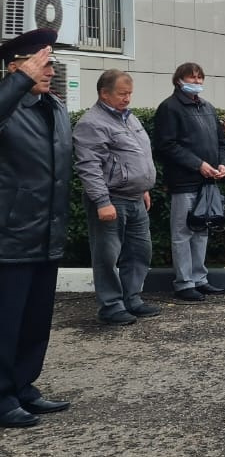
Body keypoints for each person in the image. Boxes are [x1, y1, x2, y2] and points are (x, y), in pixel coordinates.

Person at [0, 29, 72, 428]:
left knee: (34, 320)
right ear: (17, 67)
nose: (51, 69)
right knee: (5, 322)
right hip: (10, 233)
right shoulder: (8, 106)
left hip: (46, 232)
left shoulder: (53, 107)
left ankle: (23, 386)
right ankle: (1, 396)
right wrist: (17, 83)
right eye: (43, 63)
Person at [73, 70, 159, 325]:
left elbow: (135, 157)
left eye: (130, 93)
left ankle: (132, 298)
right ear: (104, 93)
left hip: (134, 197)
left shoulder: (129, 119)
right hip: (111, 199)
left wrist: (142, 187)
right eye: (122, 94)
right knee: (107, 256)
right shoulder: (92, 123)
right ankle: (111, 306)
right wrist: (102, 201)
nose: (127, 99)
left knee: (140, 251)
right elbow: (89, 166)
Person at [153, 62, 225, 300]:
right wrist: (198, 164)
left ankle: (200, 278)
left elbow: (222, 142)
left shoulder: (208, 107)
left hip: (208, 183)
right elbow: (166, 145)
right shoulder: (169, 108)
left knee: (202, 230)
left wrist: (222, 164)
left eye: (199, 78)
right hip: (184, 181)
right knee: (183, 232)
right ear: (179, 80)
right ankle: (184, 283)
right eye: (191, 77)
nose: (196, 82)